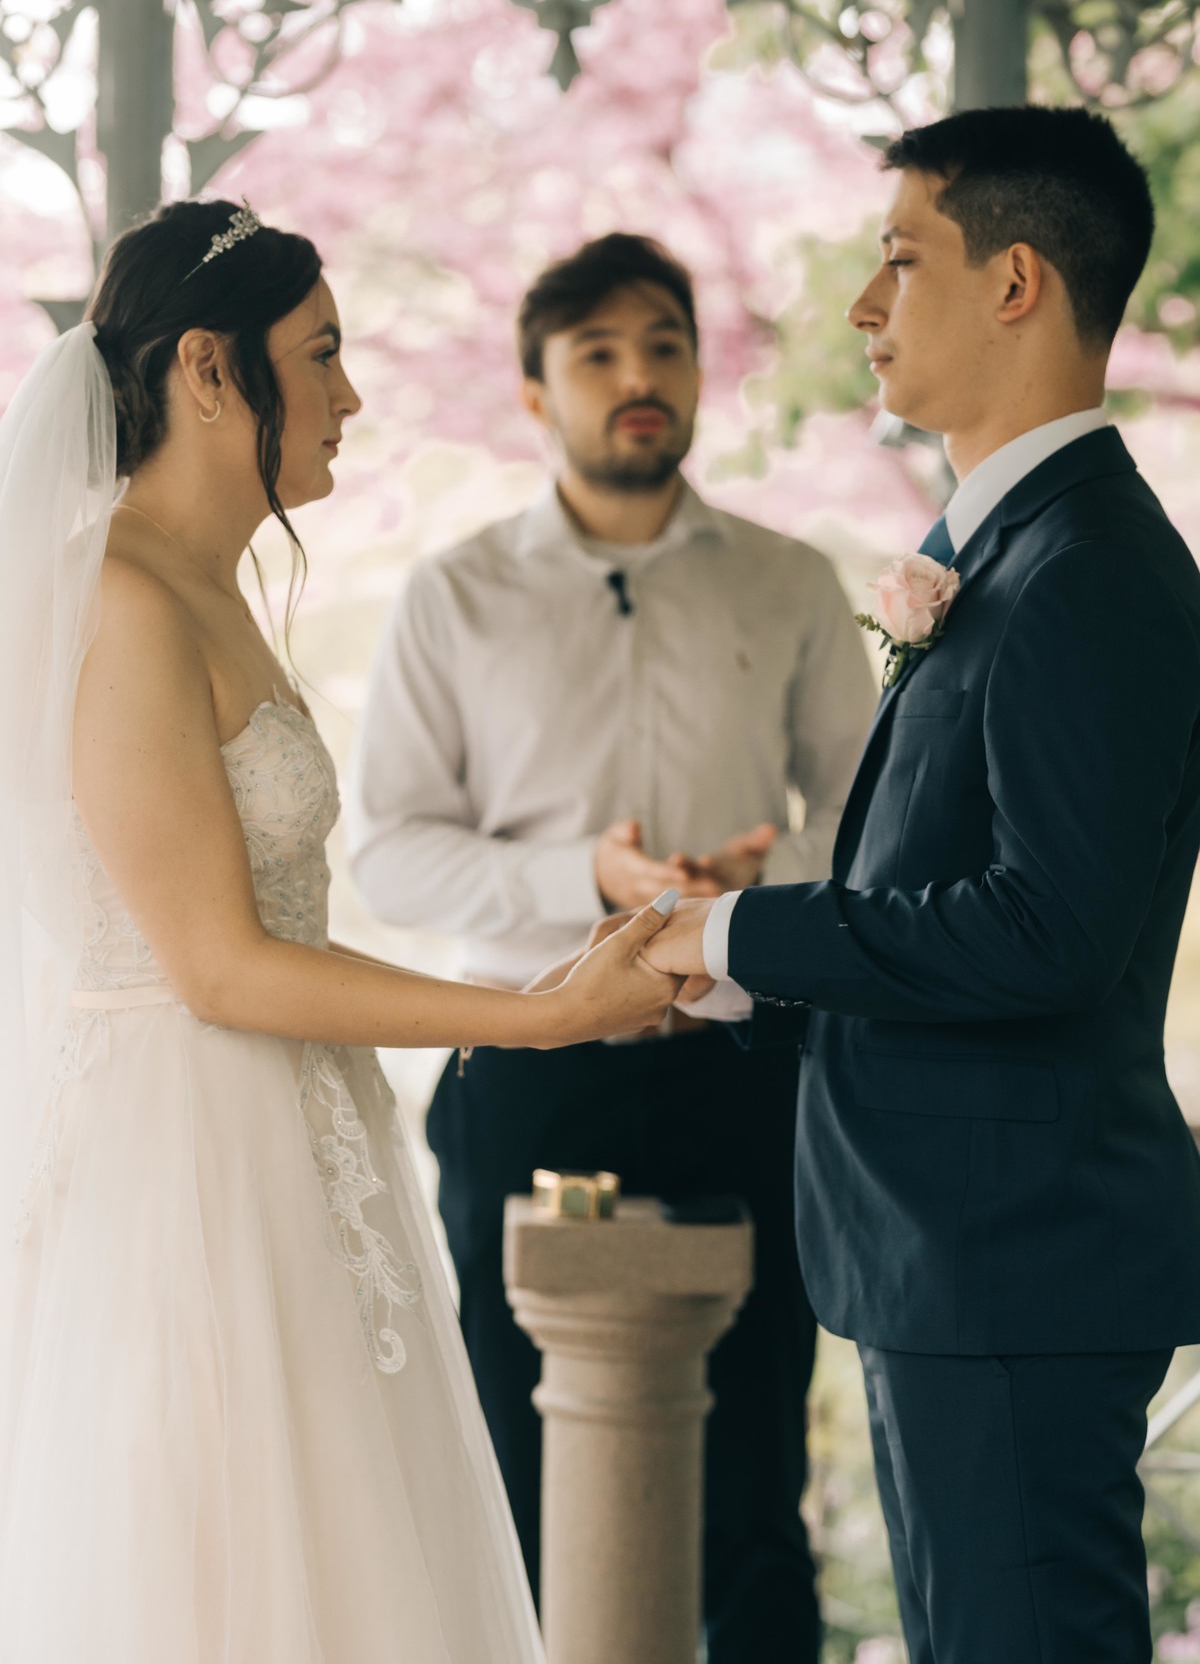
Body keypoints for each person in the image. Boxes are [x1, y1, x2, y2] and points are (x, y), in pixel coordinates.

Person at [0, 200, 683, 1663]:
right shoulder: (122, 600)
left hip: (301, 1140)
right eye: (320, 354)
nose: (353, 396)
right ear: (206, 368)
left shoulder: (214, 585)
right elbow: (220, 965)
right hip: (185, 1171)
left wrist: (556, 977)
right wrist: (540, 1012)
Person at [644, 106, 1200, 1664]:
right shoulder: (1019, 548)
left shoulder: (1086, 572)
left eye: (900, 259)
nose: (864, 307)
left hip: (1014, 1256)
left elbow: (1052, 927)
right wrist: (743, 967)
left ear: (1015, 281)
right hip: (957, 1251)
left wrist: (750, 922)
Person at [347, 232, 876, 1663]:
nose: (638, 379)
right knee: (514, 1478)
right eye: (598, 354)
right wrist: (582, 875)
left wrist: (731, 913)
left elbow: (864, 820)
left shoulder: (790, 582)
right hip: (530, 1078)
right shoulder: (454, 595)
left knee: (758, 1478)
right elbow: (387, 845)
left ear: (701, 372)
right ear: (536, 395)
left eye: (663, 346)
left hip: (742, 1075)